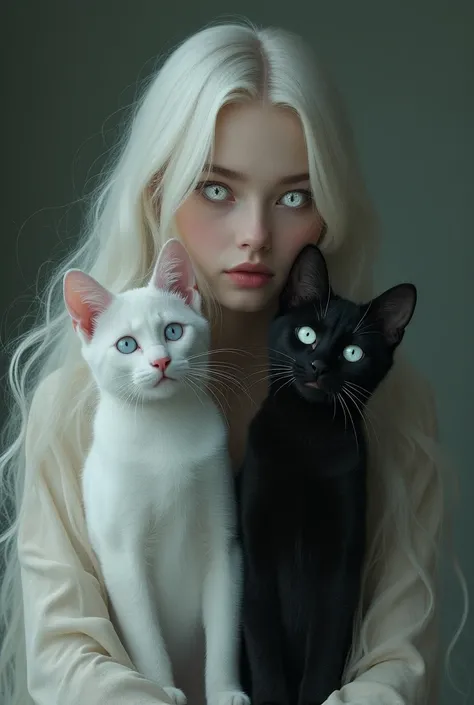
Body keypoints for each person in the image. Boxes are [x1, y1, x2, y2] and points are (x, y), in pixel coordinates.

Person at [0, 19, 463, 705]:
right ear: (157, 191)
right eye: (217, 188)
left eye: (294, 196)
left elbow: (402, 665)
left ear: (328, 214)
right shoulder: (71, 408)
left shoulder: (394, 411)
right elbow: (63, 656)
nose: (254, 234)